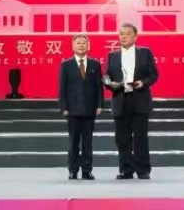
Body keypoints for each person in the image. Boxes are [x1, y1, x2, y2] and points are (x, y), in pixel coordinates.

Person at [103, 24, 158, 179]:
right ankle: (126, 170)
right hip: (120, 99)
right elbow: (107, 77)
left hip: (139, 99)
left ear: (135, 36)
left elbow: (154, 75)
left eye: (127, 33)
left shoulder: (145, 52)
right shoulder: (112, 55)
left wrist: (143, 83)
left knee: (140, 137)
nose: (124, 36)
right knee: (122, 138)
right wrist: (109, 84)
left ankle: (143, 170)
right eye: (121, 34)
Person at [57, 34, 103, 180]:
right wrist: (64, 107)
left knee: (88, 142)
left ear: (88, 45)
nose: (81, 45)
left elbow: (99, 87)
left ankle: (87, 171)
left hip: (90, 110)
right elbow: (62, 88)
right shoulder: (66, 65)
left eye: (84, 43)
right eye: (78, 43)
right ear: (73, 45)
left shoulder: (95, 64)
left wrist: (100, 105)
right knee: (74, 142)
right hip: (72, 110)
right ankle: (73, 170)